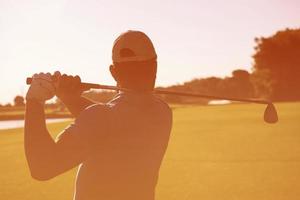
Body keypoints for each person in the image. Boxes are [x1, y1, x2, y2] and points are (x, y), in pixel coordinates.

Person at [24, 30, 173, 200]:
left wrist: (34, 100)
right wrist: (70, 97)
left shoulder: (102, 118)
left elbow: (42, 167)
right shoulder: (163, 111)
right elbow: (111, 124)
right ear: (155, 66)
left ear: (113, 71)